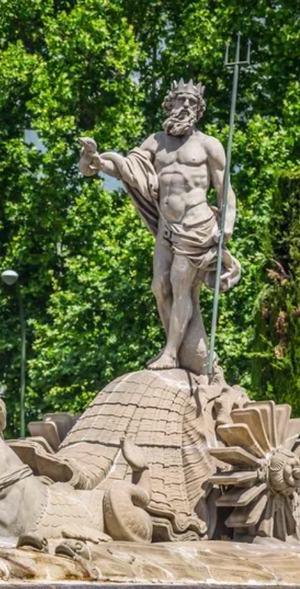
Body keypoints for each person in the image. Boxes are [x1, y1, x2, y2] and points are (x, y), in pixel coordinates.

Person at [79, 80, 240, 376]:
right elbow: (128, 170)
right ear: (170, 104)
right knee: (159, 287)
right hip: (166, 228)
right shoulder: (154, 143)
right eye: (181, 100)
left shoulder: (209, 145)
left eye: (192, 103)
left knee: (180, 285)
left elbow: (224, 189)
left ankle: (171, 352)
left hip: (197, 226)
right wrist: (97, 160)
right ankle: (178, 347)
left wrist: (226, 226)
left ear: (199, 110)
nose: (186, 106)